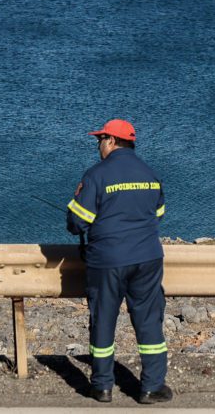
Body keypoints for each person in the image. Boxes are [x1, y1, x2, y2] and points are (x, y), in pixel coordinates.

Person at [67, 118, 172, 404]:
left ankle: (102, 386)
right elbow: (158, 213)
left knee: (103, 319)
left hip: (108, 260)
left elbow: (77, 222)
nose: (98, 145)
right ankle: (152, 386)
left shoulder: (96, 175)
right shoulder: (150, 175)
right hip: (148, 258)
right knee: (149, 320)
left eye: (99, 140)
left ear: (111, 141)